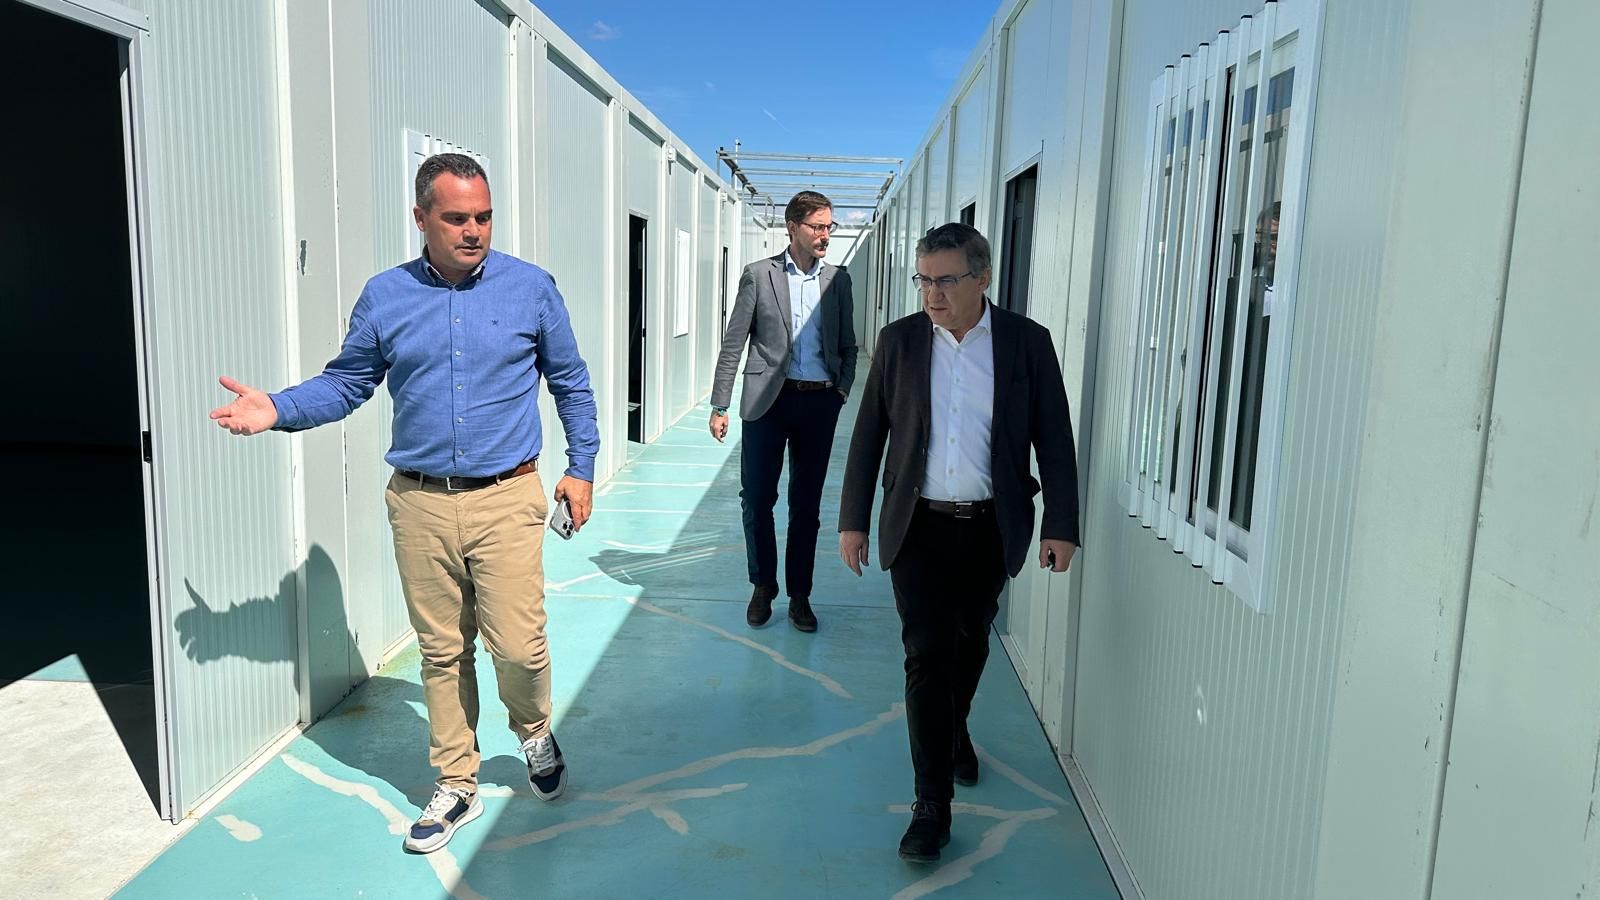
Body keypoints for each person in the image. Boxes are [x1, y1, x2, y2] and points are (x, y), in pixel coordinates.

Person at [208, 153, 598, 854]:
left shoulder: (531, 289)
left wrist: (583, 467)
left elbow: (571, 381)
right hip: (418, 503)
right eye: (456, 218)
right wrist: (280, 408)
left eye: (482, 216)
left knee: (520, 644)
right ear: (421, 218)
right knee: (442, 652)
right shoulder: (385, 296)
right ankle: (456, 781)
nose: (473, 230)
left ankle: (533, 730)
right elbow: (348, 382)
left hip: (508, 495)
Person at [837, 222, 1081, 863]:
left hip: (989, 525)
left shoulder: (1027, 345)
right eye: (924, 279)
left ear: (984, 278)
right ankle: (931, 805)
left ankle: (956, 728)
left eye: (946, 280)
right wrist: (853, 521)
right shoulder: (900, 342)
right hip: (915, 525)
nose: (932, 293)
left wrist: (1061, 523)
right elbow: (869, 436)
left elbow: (1053, 437)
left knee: (971, 639)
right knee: (924, 653)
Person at [710, 191, 858, 632]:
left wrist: (842, 391)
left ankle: (799, 595)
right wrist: (719, 404)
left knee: (806, 505)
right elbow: (735, 341)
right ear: (792, 228)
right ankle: (762, 587)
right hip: (767, 404)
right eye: (817, 226)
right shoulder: (760, 275)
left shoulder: (839, 280)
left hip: (819, 402)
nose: (825, 235)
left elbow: (847, 344)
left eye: (829, 226)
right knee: (757, 498)